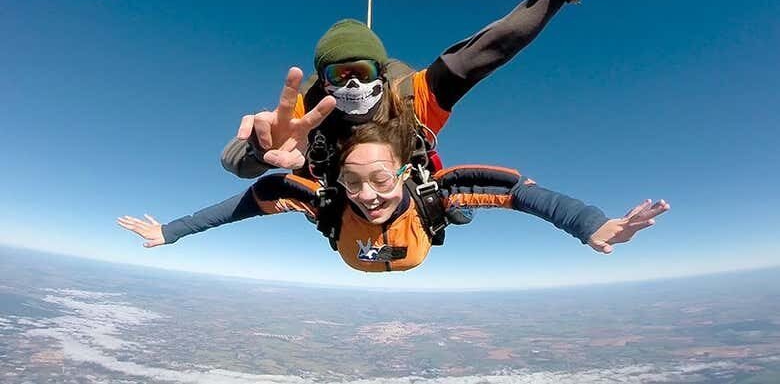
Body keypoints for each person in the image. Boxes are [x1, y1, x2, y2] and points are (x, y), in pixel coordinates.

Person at [221, 0, 603, 182]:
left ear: (382, 74)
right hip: (340, 197)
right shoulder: (307, 111)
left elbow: (490, 47)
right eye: (340, 75)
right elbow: (232, 160)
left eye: (363, 72)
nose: (352, 85)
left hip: (403, 192)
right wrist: (258, 150)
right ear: (324, 80)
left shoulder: (413, 97)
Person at [118, 116, 669, 273]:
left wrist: (592, 225)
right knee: (303, 194)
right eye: (354, 182)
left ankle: (448, 212)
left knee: (457, 205)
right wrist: (171, 231)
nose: (368, 195)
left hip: (419, 237)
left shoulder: (433, 193)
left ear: (405, 172)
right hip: (360, 251)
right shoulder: (327, 199)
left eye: (381, 180)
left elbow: (527, 196)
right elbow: (240, 206)